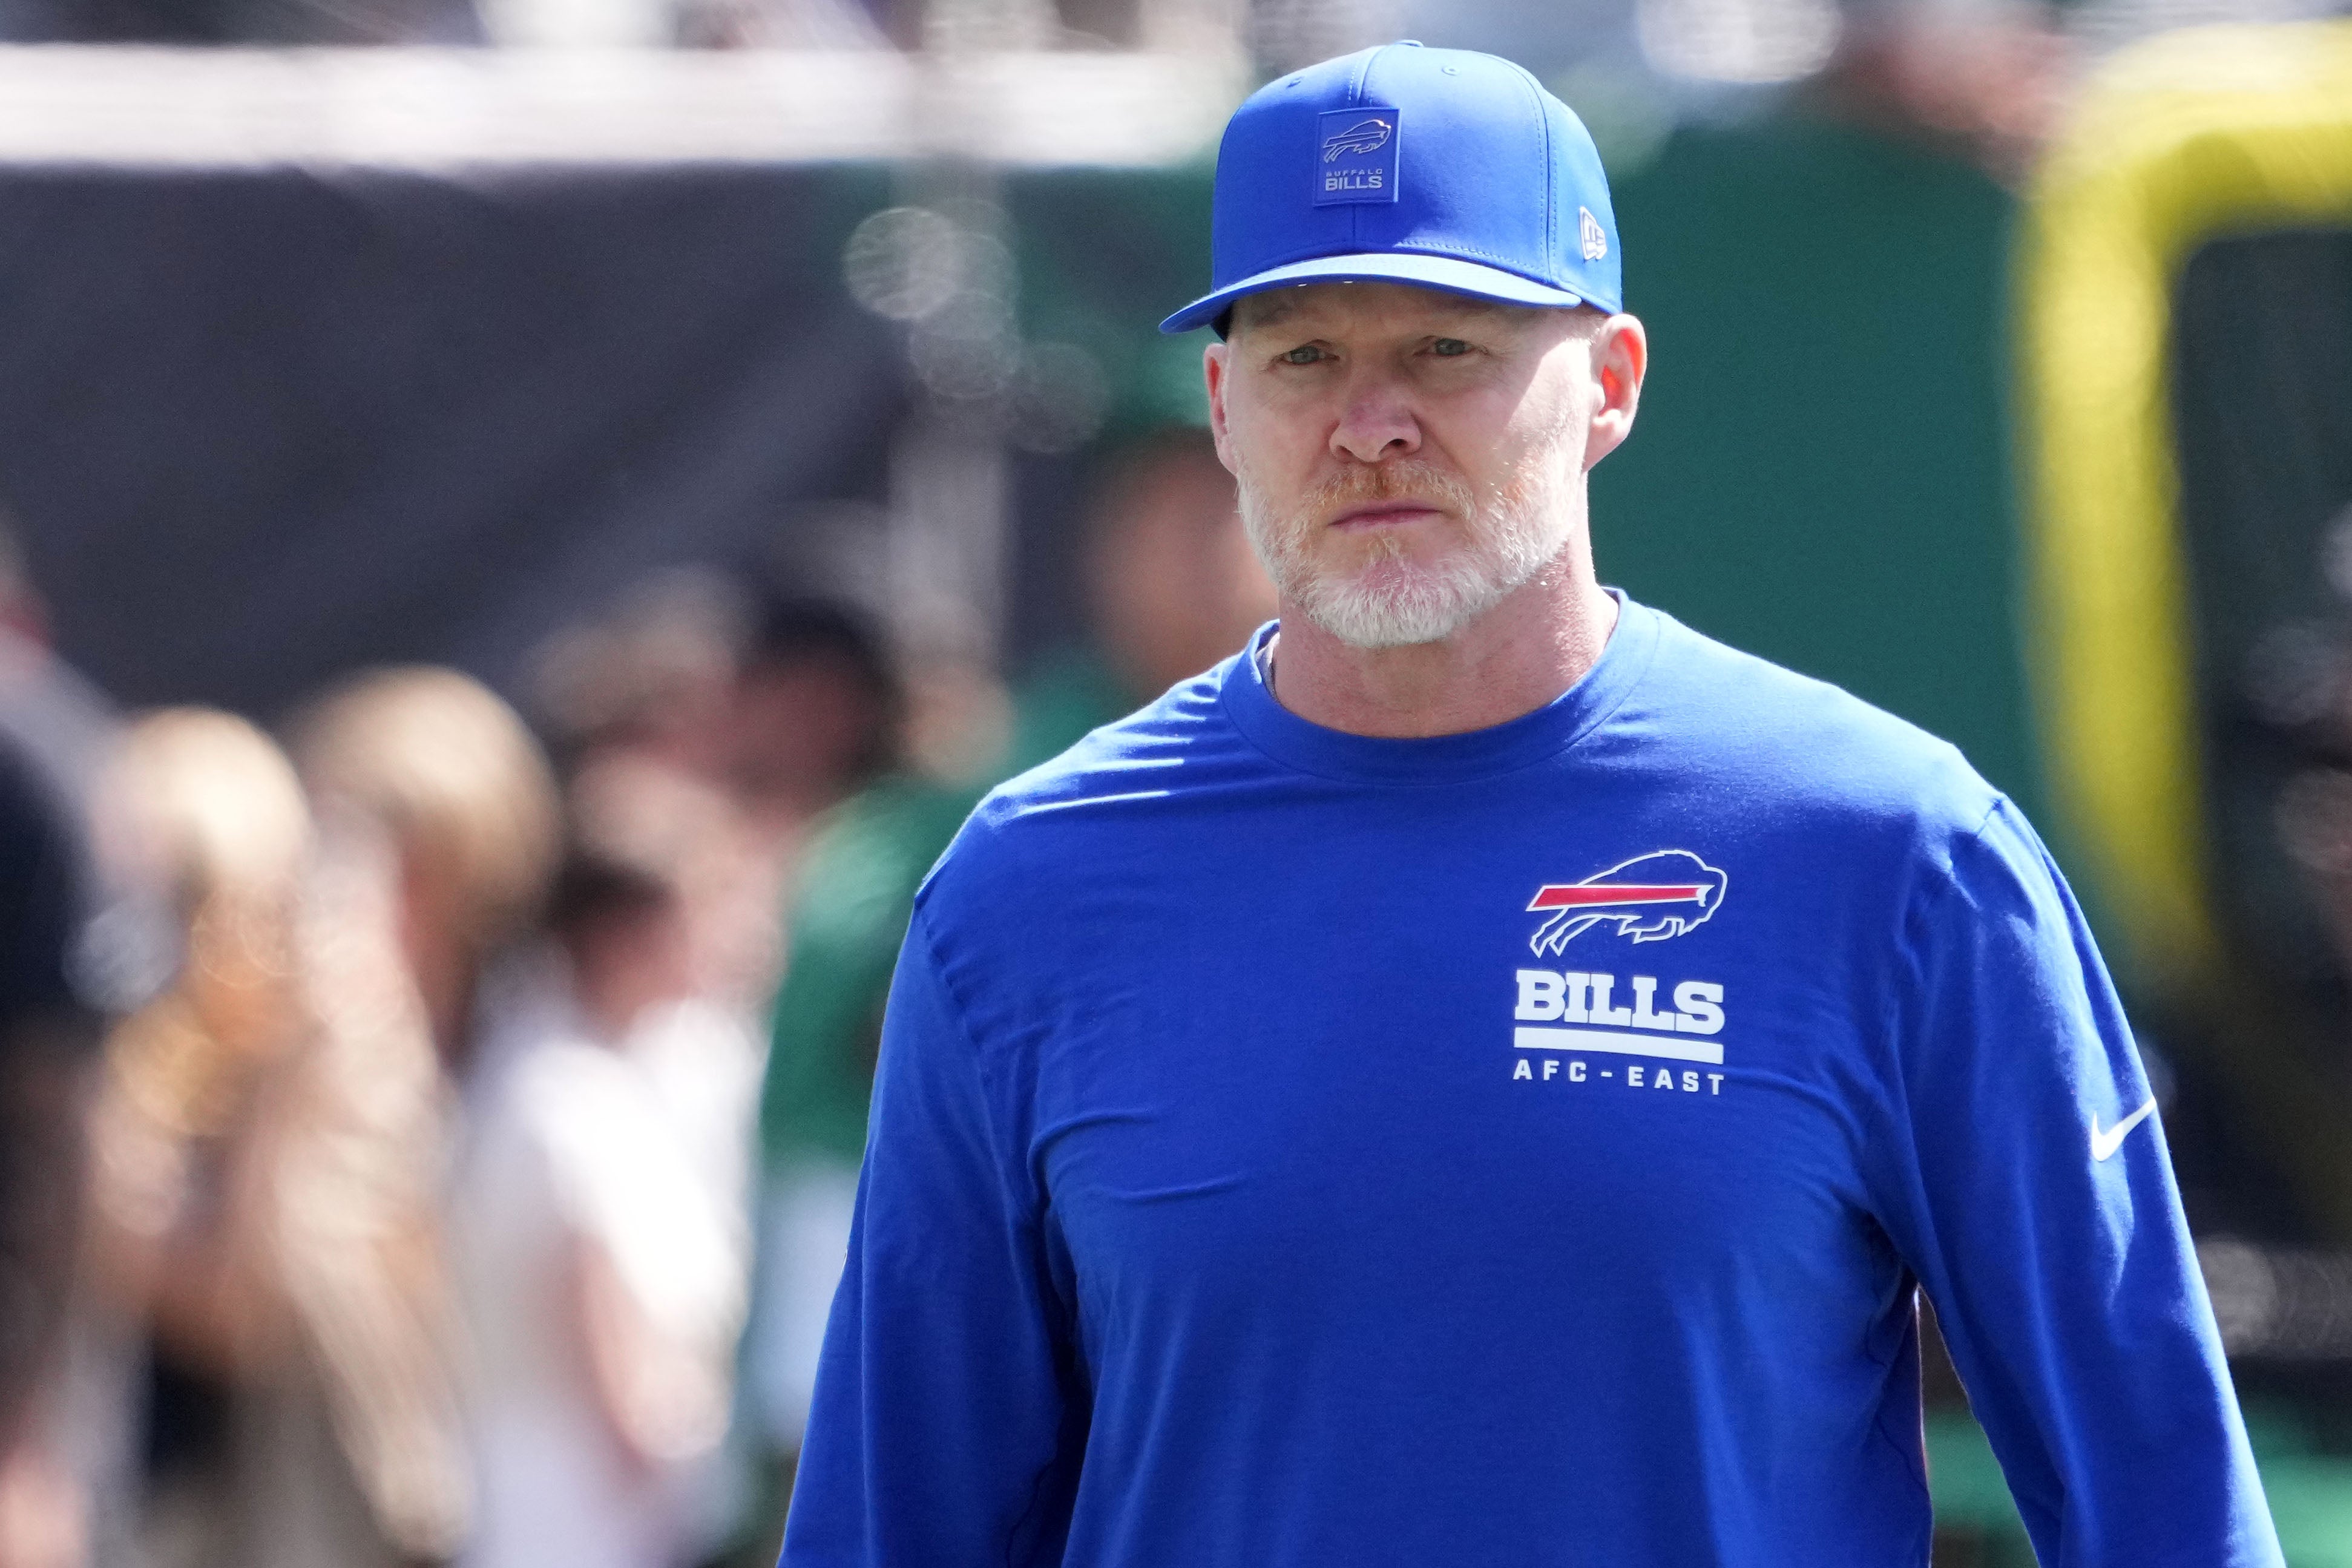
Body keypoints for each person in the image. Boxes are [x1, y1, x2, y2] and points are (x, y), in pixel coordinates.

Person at [778, 41, 2281, 1568]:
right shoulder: (1028, 891)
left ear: (1610, 385)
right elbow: (894, 1521)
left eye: (1446, 348)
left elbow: (2161, 1503)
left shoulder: (1893, 855)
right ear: (1225, 406)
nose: (1368, 425)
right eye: (1304, 355)